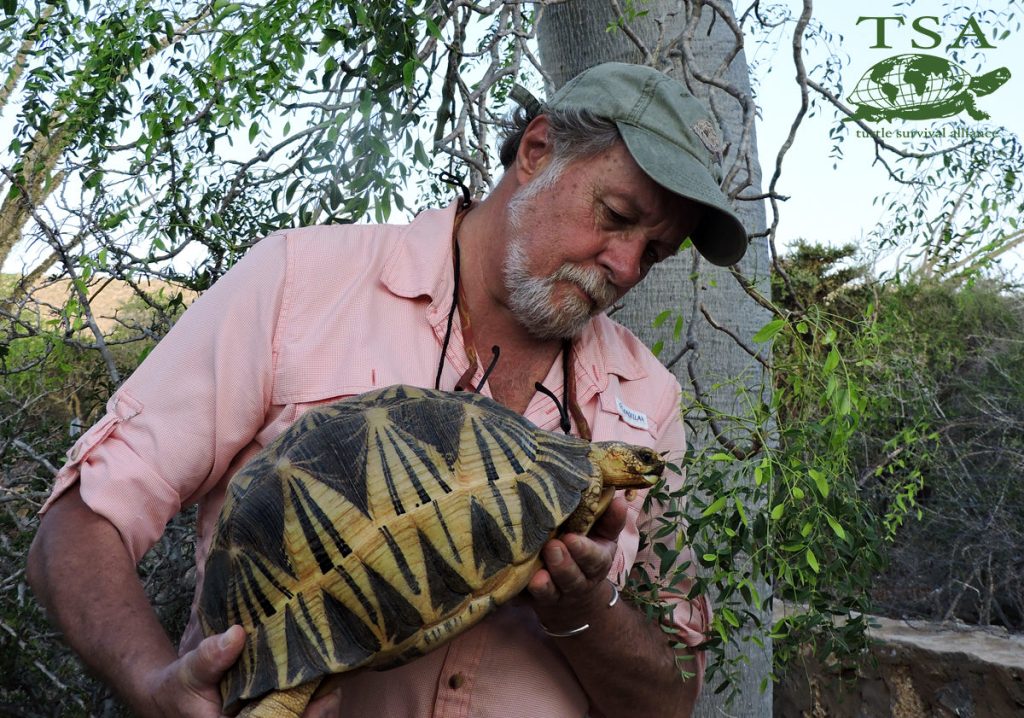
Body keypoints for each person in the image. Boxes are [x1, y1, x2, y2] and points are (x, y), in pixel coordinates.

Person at [27, 62, 747, 718]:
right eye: (616, 217)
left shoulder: (645, 402)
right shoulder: (299, 284)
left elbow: (669, 694)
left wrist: (587, 605)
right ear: (536, 151)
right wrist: (154, 685)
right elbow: (82, 523)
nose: (624, 265)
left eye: (653, 251)